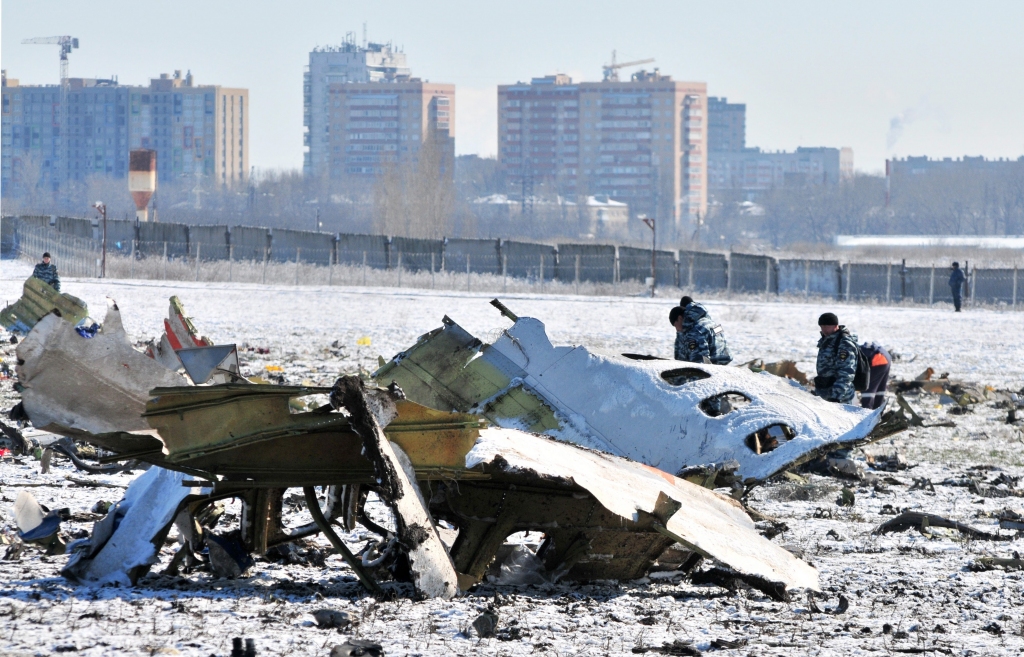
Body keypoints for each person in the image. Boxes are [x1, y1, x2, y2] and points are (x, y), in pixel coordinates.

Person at [814, 312, 859, 404]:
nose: (824, 330)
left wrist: (836, 396)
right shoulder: (827, 340)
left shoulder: (844, 344)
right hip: (826, 392)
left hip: (840, 397)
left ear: (836, 326)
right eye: (822, 327)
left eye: (827, 327)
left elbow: (846, 373)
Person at [671, 296, 732, 364]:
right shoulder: (712, 323)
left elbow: (699, 361)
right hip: (724, 361)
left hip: (712, 368)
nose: (676, 329)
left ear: (680, 318)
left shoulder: (695, 330)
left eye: (675, 325)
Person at [858, 342, 891, 409]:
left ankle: (867, 412)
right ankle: (878, 411)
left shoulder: (850, 353)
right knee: (880, 389)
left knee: (867, 389)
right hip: (886, 356)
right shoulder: (860, 349)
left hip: (878, 359)